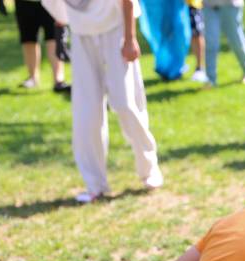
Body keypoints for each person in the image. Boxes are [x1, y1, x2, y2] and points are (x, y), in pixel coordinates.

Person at [42, 0, 164, 203]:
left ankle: (149, 168)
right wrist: (61, 32)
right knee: (86, 113)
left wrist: (129, 38)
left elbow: (127, 2)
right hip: (82, 37)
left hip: (115, 32)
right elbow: (60, 14)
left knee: (125, 104)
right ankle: (94, 184)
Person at [15, 0, 69, 91]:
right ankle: (33, 78)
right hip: (25, 3)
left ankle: (58, 80)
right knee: (28, 39)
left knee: (53, 38)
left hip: (52, 3)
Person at [202, 0, 245, 87]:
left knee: (236, 41)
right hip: (209, 6)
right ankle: (210, 79)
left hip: (231, 5)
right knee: (211, 43)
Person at [187, 0, 207, 82]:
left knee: (197, 34)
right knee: (192, 35)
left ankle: (200, 68)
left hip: (193, 4)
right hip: (181, 6)